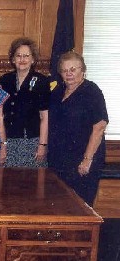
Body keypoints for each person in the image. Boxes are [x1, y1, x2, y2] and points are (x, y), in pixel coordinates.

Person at [48, 51, 108, 205]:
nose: (69, 74)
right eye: (65, 70)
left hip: (82, 160)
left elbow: (99, 127)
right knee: (59, 204)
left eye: (73, 69)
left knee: (81, 206)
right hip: (59, 160)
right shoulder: (57, 92)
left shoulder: (92, 91)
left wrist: (87, 160)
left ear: (83, 70)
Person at [0, 37, 50, 167]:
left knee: (31, 184)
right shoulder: (5, 80)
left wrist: (42, 145)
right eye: (18, 56)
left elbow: (44, 117)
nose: (22, 60)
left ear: (33, 59)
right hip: (9, 141)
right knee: (10, 183)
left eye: (26, 56)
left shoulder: (41, 81)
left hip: (32, 142)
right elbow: (0, 115)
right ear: (13, 59)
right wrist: (3, 143)